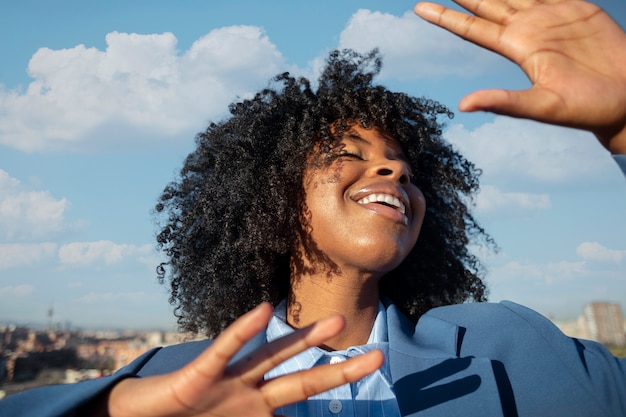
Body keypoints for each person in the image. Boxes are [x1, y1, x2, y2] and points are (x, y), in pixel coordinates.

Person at [2, 0, 626, 416]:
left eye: (403, 164)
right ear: (271, 199)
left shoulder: (514, 348)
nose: (395, 170)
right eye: (348, 153)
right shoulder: (167, 379)